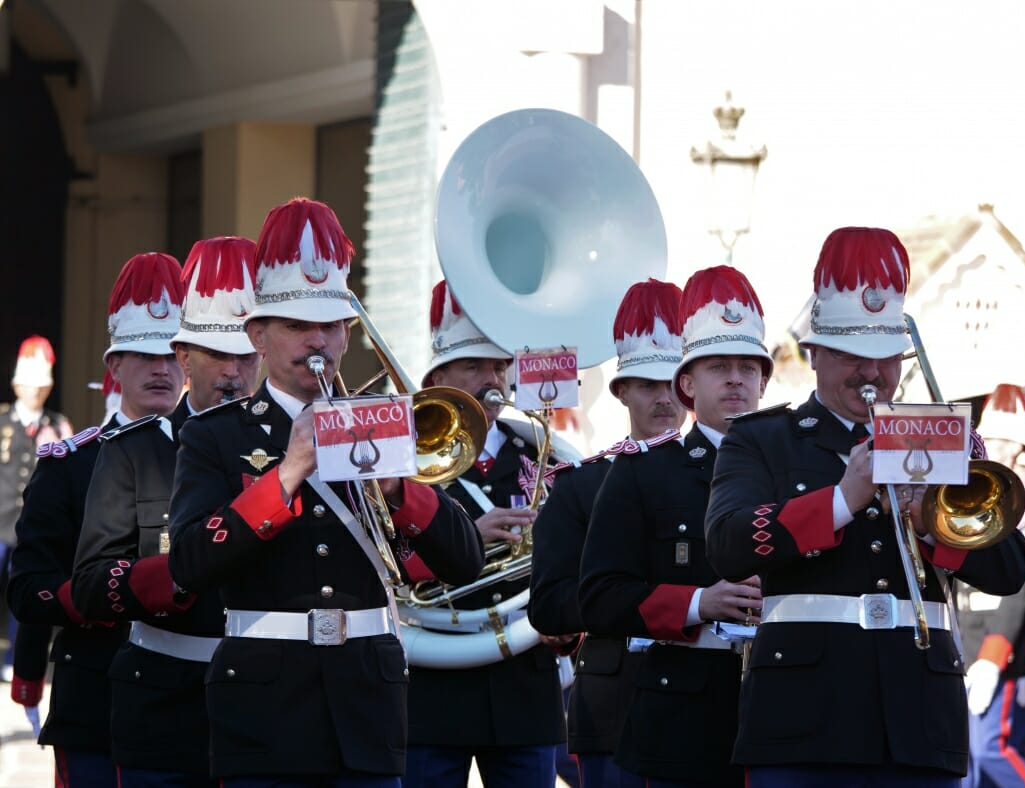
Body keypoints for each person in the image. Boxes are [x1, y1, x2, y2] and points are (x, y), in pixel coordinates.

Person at [166, 197, 483, 786]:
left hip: (367, 703)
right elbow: (188, 562)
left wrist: (394, 486)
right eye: (296, 325)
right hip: (263, 709)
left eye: (331, 325)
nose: (318, 340)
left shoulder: (383, 424)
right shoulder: (216, 435)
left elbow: (462, 559)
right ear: (258, 334)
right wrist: (286, 475)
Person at [704, 227, 1025, 787]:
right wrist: (840, 500)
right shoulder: (761, 439)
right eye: (852, 354)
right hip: (802, 726)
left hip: (921, 728)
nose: (872, 372)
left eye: (885, 357)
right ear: (814, 355)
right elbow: (728, 544)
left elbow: (1009, 569)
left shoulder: (944, 440)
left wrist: (929, 522)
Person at [71, 237, 260, 787]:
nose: (233, 373)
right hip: (166, 707)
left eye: (245, 356)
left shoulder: (292, 450)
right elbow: (88, 584)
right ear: (185, 358)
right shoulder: (131, 451)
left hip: (267, 706)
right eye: (217, 355)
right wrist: (180, 574)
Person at [578, 266, 770, 788]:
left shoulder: (797, 467)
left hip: (787, 711)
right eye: (718, 367)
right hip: (684, 718)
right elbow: (599, 595)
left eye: (749, 368)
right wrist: (695, 604)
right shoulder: (643, 472)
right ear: (687, 384)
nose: (736, 378)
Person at [7, 252, 186, 787]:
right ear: (114, 366)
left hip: (189, 706)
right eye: (143, 355)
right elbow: (28, 589)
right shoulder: (70, 463)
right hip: (98, 699)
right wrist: (95, 595)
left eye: (173, 354)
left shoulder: (214, 454)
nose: (161, 368)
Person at [403, 279, 568, 788]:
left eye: (499, 366)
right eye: (474, 366)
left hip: (525, 683)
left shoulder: (543, 453)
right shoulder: (402, 458)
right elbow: (381, 558)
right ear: (438, 376)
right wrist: (466, 539)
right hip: (432, 685)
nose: (492, 380)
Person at [528, 278, 687, 788]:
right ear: (621, 391)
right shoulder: (581, 483)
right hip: (614, 702)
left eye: (672, 385)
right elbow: (549, 604)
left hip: (702, 700)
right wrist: (623, 595)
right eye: (648, 386)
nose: (664, 400)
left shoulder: (724, 474)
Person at [958, 383, 1025, 787]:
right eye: (994, 439)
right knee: (970, 762)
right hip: (965, 642)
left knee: (994, 750)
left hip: (1008, 649)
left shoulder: (1024, 504)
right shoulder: (966, 492)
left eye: (1011, 443)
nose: (1002, 450)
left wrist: (996, 659)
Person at [0, 335, 74, 679]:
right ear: (16, 384)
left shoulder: (57, 425)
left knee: (25, 597)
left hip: (31, 528)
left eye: (41, 387)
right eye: (30, 386)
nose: (35, 392)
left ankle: (17, 660)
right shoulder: (2, 423)